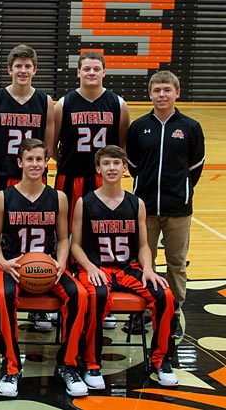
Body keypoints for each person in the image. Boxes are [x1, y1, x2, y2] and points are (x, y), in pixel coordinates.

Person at [71, 145, 179, 388]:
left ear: (125, 168)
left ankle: (161, 361)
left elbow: (143, 245)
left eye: (116, 163)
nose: (112, 168)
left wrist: (149, 269)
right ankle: (91, 364)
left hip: (127, 268)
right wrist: (89, 266)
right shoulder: (84, 202)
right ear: (98, 168)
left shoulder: (136, 203)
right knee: (95, 296)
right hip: (97, 267)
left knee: (166, 297)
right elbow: (75, 245)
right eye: (106, 163)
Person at [0, 138, 88, 398]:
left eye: (39, 160)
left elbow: (64, 238)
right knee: (2, 296)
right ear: (20, 162)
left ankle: (68, 365)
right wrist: (1, 261)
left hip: (47, 267)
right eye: (29, 159)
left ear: (47, 163)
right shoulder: (3, 197)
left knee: (80, 295)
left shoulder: (59, 198)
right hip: (13, 267)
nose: (35, 164)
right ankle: (11, 367)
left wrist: (61, 262)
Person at [53, 50, 130, 329]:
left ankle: (101, 294)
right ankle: (58, 289)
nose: (91, 73)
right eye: (86, 69)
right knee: (62, 233)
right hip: (69, 176)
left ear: (104, 72)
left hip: (101, 179)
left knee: (99, 235)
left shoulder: (117, 103)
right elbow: (52, 145)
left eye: (96, 69)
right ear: (78, 72)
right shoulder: (64, 103)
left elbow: (120, 146)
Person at [127, 71, 205, 338]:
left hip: (178, 210)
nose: (162, 95)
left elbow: (195, 167)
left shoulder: (191, 127)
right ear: (150, 94)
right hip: (144, 209)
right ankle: (142, 311)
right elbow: (134, 165)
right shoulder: (138, 127)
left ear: (177, 93)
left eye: (167, 90)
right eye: (157, 90)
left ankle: (173, 312)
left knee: (176, 262)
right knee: (141, 262)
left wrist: (180, 191)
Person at [0, 44, 54, 205]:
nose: (23, 70)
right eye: (18, 66)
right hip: (2, 175)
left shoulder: (45, 101)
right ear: (9, 70)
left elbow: (48, 147)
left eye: (28, 66)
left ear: (34, 70)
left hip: (34, 177)